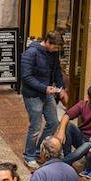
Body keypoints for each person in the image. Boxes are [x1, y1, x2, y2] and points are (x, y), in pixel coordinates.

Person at [20, 31, 66, 171]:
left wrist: (61, 87)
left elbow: (57, 70)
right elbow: (26, 77)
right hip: (33, 95)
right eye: (55, 47)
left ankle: (39, 150)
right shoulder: (31, 53)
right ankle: (29, 156)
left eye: (58, 48)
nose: (57, 50)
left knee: (53, 122)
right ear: (47, 42)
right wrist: (44, 88)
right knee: (35, 126)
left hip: (47, 92)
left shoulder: (53, 53)